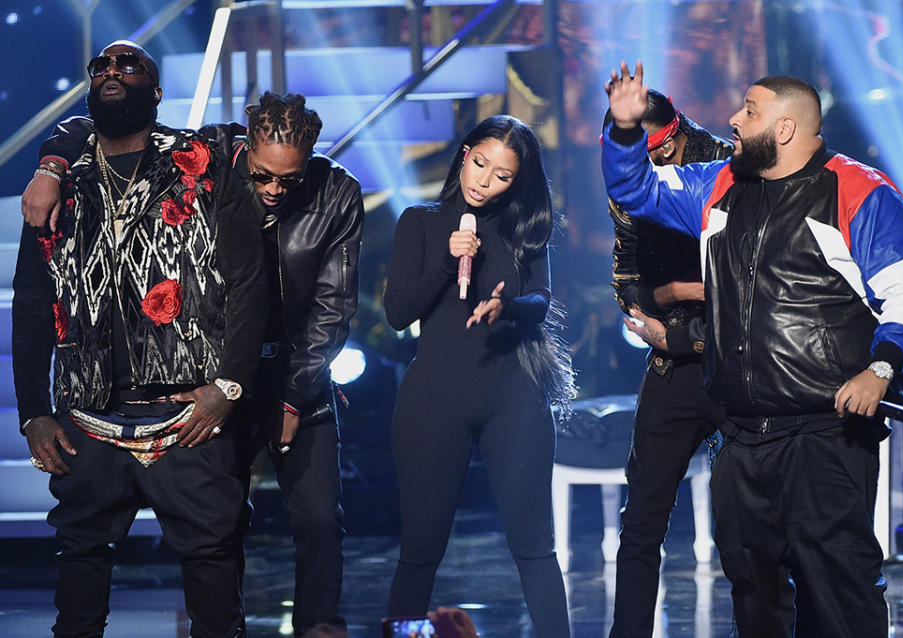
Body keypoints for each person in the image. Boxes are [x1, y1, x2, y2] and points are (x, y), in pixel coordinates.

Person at [602, 61, 903, 637]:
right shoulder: (718, 184)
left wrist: (882, 367)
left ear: (784, 129)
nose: (732, 120)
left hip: (824, 430)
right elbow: (636, 189)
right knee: (753, 590)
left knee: (838, 586)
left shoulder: (858, 190)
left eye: (749, 111)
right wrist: (626, 130)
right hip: (742, 433)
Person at [22, 92, 364, 637]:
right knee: (218, 533)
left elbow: (332, 308)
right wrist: (49, 168)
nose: (274, 191)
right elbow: (102, 123)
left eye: (289, 181)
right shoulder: (204, 153)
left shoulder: (337, 193)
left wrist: (294, 396)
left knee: (320, 521)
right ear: (245, 149)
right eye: (263, 176)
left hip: (291, 376)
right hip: (217, 374)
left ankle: (318, 630)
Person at [12, 41, 267, 637]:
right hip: (86, 412)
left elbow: (250, 279)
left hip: (187, 407)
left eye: (129, 67)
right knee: (79, 569)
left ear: (155, 91)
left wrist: (229, 386)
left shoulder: (201, 161)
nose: (110, 73)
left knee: (211, 563)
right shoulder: (60, 183)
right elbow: (30, 302)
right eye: (100, 67)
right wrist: (31, 413)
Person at [383, 115, 575, 637]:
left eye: (503, 176)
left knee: (535, 545)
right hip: (432, 402)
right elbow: (398, 312)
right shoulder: (419, 222)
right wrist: (447, 265)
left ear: (519, 182)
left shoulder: (523, 230)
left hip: (512, 398)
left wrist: (506, 304)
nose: (484, 181)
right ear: (464, 154)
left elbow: (542, 300)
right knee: (420, 549)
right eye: (480, 163)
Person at [604, 89, 731, 638]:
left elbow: (762, 278)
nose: (648, 170)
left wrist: (712, 297)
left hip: (739, 356)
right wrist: (679, 291)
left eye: (655, 154)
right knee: (643, 520)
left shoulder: (732, 168)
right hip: (669, 349)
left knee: (754, 521)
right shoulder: (632, 180)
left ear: (675, 136)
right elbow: (625, 279)